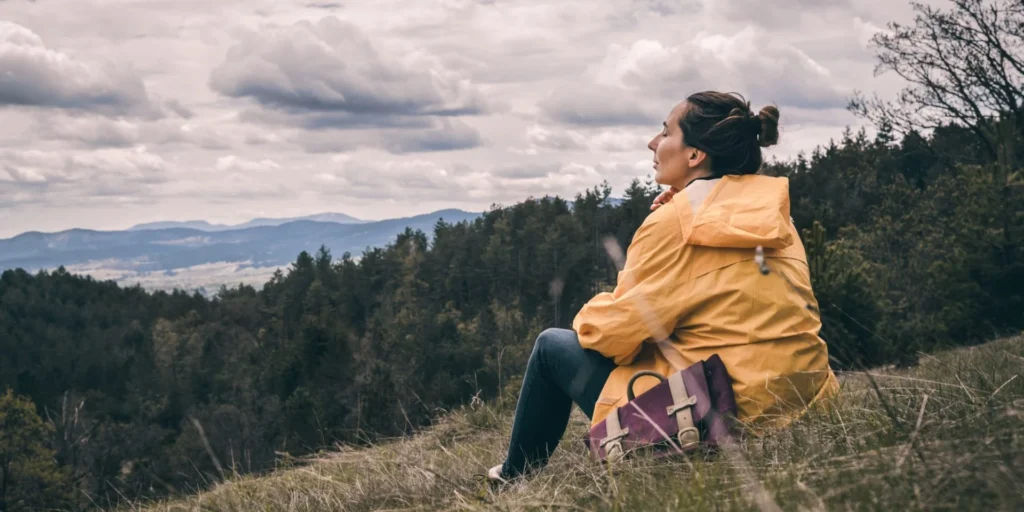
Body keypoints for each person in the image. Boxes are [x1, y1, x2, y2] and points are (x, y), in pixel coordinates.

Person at [487, 91, 840, 484]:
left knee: (553, 346)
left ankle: (512, 480)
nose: (653, 143)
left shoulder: (674, 223)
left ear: (694, 156)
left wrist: (590, 314)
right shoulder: (779, 222)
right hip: (800, 404)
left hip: (717, 417)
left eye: (665, 131)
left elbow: (612, 335)